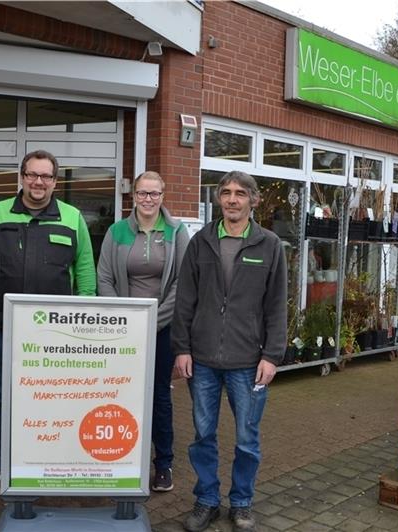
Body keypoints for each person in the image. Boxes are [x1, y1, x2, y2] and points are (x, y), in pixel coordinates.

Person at [172, 171, 287, 532]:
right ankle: (207, 500)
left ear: (253, 200)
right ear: (219, 198)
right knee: (203, 435)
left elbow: (277, 306)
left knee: (246, 439)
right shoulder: (201, 242)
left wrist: (272, 355)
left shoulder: (269, 245)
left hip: (248, 362)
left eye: (240, 193)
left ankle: (241, 503)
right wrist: (182, 348)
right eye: (226, 193)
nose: (232, 199)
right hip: (202, 359)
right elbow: (185, 299)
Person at [0, 149, 96, 491]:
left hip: (55, 335)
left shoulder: (73, 217)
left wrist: (81, 326)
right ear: (22, 176)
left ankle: (48, 460)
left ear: (55, 182)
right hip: (2, 329)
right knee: (0, 398)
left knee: (53, 398)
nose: (38, 182)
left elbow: (86, 273)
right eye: (32, 174)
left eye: (46, 176)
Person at [97, 171, 190, 492]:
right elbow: (104, 277)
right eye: (142, 193)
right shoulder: (117, 231)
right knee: (119, 393)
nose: (148, 199)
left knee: (159, 396)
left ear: (163, 196)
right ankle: (120, 459)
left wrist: (152, 319)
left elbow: (183, 283)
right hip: (121, 330)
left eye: (154, 193)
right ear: (133, 196)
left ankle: (163, 463)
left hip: (162, 330)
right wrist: (125, 319)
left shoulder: (177, 232)